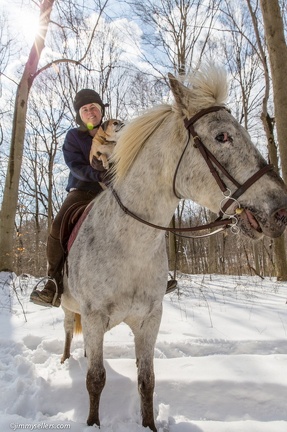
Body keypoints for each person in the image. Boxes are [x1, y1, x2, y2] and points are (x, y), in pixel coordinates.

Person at [30, 89, 177, 308]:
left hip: (113, 191)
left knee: (145, 218)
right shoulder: (73, 137)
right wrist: (98, 174)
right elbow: (75, 166)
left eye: (94, 108)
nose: (90, 112)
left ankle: (155, 276)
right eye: (85, 109)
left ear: (101, 110)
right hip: (83, 191)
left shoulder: (119, 130)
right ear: (80, 114)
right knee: (58, 225)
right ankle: (53, 281)